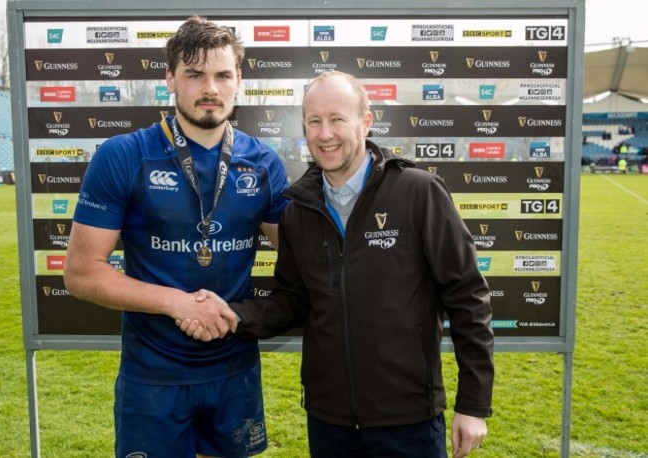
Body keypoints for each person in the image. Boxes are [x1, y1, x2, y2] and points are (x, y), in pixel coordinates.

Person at [180, 71, 495, 457]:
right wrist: (228, 315)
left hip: (408, 419)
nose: (324, 133)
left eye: (337, 119)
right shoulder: (298, 211)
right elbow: (290, 303)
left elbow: (468, 297)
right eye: (314, 121)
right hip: (329, 424)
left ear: (366, 121)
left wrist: (474, 404)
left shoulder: (418, 192)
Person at [63, 16, 290, 458]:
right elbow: (81, 274)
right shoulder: (124, 155)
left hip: (234, 371)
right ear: (170, 78)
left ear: (238, 80)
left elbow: (301, 258)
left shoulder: (263, 163)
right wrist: (179, 303)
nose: (211, 88)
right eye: (194, 74)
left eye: (223, 75)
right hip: (153, 376)